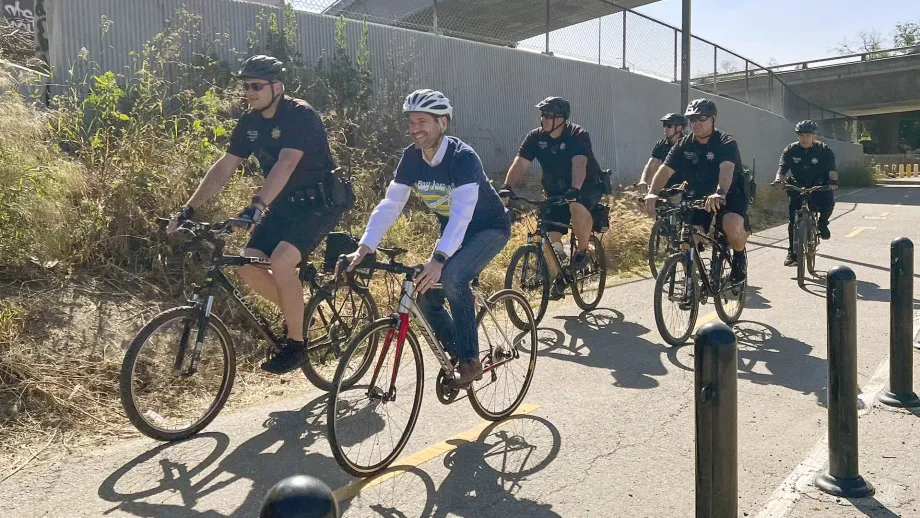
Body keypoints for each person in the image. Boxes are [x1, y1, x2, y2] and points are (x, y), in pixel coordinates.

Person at [168, 54, 345, 374]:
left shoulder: (299, 115)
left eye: (256, 86)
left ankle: (296, 345)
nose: (248, 91)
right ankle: (298, 312)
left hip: (321, 202)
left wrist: (257, 205)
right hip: (285, 204)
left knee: (280, 259)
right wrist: (189, 208)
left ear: (277, 87)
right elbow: (224, 167)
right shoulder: (250, 122)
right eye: (245, 85)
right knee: (247, 262)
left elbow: (286, 163)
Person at [341, 89, 511, 389]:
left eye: (422, 121)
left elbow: (461, 215)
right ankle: (458, 352)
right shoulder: (411, 158)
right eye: (411, 122)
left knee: (454, 277)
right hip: (453, 232)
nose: (415, 128)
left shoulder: (462, 157)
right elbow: (390, 205)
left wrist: (439, 260)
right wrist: (365, 246)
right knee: (424, 293)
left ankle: (470, 362)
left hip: (488, 228)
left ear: (442, 123)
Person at [499, 96, 605, 298]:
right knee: (548, 238)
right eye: (543, 115)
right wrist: (507, 187)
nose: (544, 119)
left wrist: (575, 189)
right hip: (555, 191)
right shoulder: (535, 138)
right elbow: (521, 163)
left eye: (549, 116)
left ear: (562, 119)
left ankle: (582, 252)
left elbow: (579, 163)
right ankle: (560, 277)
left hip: (585, 186)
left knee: (576, 206)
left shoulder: (577, 135)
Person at [643, 98, 750, 283]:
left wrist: (720, 192)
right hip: (699, 195)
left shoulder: (725, 142)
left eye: (702, 118)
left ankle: (739, 256)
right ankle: (691, 284)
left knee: (732, 225)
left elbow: (726, 170)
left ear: (713, 119)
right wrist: (652, 192)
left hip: (729, 192)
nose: (696, 124)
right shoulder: (684, 144)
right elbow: (664, 170)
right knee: (687, 239)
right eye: (692, 120)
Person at [774, 120, 838, 266]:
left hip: (819, 185)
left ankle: (822, 224)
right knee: (792, 220)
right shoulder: (791, 150)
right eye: (801, 135)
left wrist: (833, 182)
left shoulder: (824, 149)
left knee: (828, 202)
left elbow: (832, 169)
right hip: (798, 186)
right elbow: (782, 167)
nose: (804, 139)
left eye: (808, 135)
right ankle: (792, 253)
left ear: (814, 136)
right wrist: (779, 179)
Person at [636, 113, 688, 195]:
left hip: (685, 189)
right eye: (664, 125)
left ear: (679, 128)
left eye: (669, 125)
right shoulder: (661, 144)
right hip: (665, 188)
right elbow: (651, 165)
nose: (665, 128)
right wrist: (643, 181)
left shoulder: (689, 144)